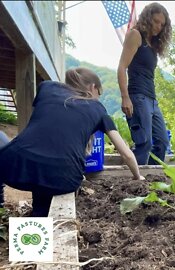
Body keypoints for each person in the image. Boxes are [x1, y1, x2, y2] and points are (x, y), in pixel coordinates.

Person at [0, 67, 144, 217]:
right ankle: (39, 217)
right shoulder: (99, 109)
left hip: (15, 167)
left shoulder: (47, 88)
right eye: (98, 94)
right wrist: (137, 176)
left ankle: (1, 207)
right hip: (64, 178)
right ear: (92, 87)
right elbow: (126, 154)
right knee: (45, 177)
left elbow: (45, 130)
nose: (98, 98)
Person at [117, 2, 171, 165]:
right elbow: (121, 67)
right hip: (137, 96)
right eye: (155, 21)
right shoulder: (135, 35)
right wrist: (125, 97)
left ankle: (152, 180)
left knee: (162, 142)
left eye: (162, 24)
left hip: (152, 100)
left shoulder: (153, 44)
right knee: (144, 143)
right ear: (147, 18)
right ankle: (134, 182)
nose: (158, 27)